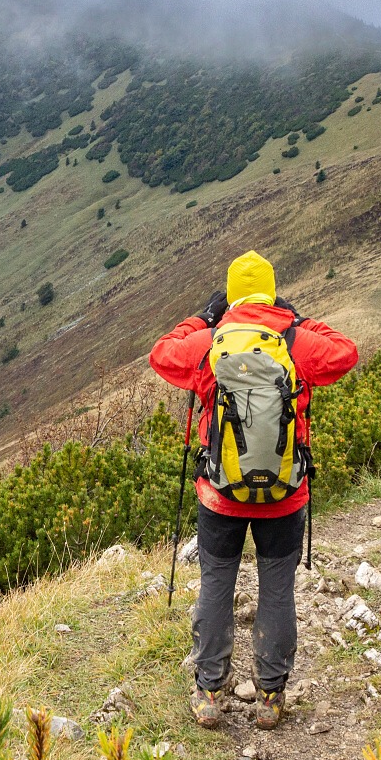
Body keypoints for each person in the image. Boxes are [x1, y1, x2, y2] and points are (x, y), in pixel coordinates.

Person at [149, 250, 358, 730]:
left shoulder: (209, 340)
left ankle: (208, 691)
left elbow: (161, 353)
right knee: (277, 590)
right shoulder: (296, 342)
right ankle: (270, 696)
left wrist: (200, 318)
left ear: (230, 296)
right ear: (271, 291)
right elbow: (346, 351)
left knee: (217, 583)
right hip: (285, 496)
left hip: (220, 496)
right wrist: (300, 320)